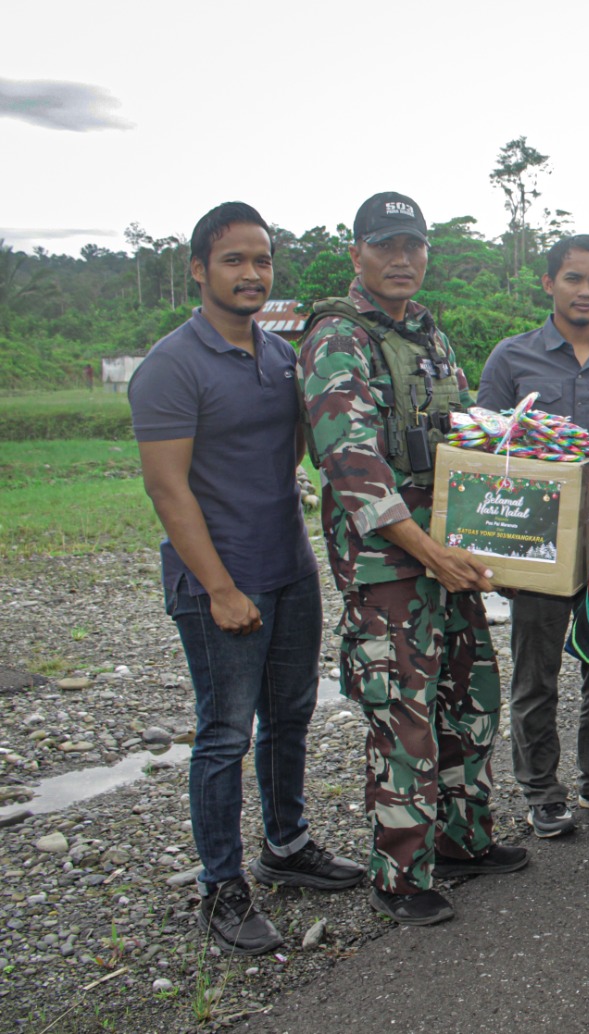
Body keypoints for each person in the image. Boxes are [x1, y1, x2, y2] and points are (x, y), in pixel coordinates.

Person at [130, 202, 361, 955]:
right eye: (234, 260)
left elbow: (296, 452)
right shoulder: (172, 364)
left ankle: (287, 846)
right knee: (224, 734)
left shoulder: (278, 356)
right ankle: (221, 884)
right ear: (199, 269)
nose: (251, 273)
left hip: (289, 569)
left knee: (290, 717)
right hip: (219, 579)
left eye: (262, 260)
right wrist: (222, 589)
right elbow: (168, 489)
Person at [298, 192, 526, 928]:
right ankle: (400, 872)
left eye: (415, 246)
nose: (403, 260)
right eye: (387, 245)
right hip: (388, 563)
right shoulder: (338, 337)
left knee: (471, 698)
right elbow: (352, 462)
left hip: (446, 553)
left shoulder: (428, 335)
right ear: (357, 251)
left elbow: (459, 438)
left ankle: (463, 840)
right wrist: (430, 550)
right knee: (404, 718)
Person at [477, 234, 589, 839]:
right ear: (548, 284)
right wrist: (496, 554)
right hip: (536, 540)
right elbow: (483, 452)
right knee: (536, 672)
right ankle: (541, 790)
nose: (586, 292)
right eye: (574, 279)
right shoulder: (511, 358)